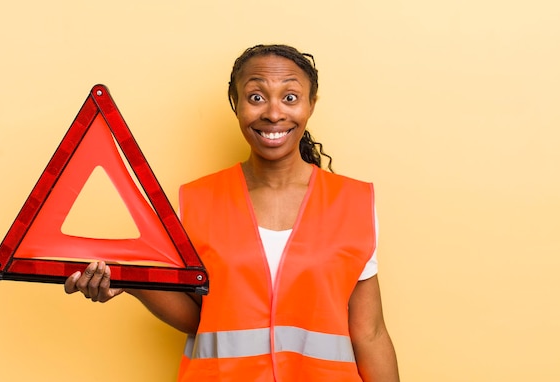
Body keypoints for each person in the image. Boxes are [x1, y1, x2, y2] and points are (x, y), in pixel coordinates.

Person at [65, 44, 400, 381]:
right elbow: (204, 319)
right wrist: (130, 280)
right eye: (256, 97)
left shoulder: (353, 202)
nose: (273, 113)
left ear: (311, 104)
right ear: (235, 103)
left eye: (290, 97)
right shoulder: (196, 201)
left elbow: (369, 333)